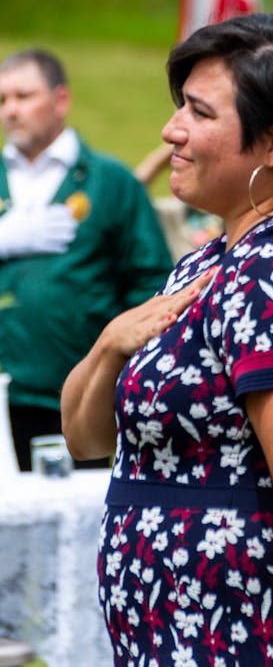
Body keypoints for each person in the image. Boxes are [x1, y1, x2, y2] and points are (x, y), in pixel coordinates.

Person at [61, 13, 273, 665]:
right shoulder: (217, 259)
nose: (171, 130)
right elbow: (87, 438)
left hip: (239, 641)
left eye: (199, 112)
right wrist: (111, 343)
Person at [0, 48, 171, 470]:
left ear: (61, 100)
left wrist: (123, 370)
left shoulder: (110, 181)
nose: (11, 110)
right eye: (3, 100)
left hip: (77, 399)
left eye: (23, 96)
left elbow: (152, 282)